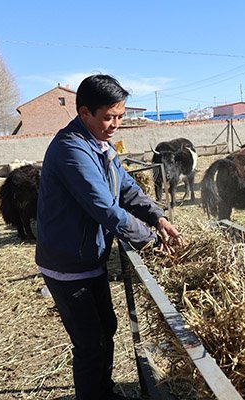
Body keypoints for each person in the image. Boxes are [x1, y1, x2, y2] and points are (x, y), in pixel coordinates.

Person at [36, 74, 183, 400]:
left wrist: (158, 216)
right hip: (67, 264)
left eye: (120, 116)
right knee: (90, 342)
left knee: (107, 329)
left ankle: (103, 391)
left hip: (89, 257)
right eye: (108, 117)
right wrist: (151, 240)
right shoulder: (71, 150)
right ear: (85, 112)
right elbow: (105, 208)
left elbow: (127, 189)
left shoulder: (100, 145)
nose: (115, 124)